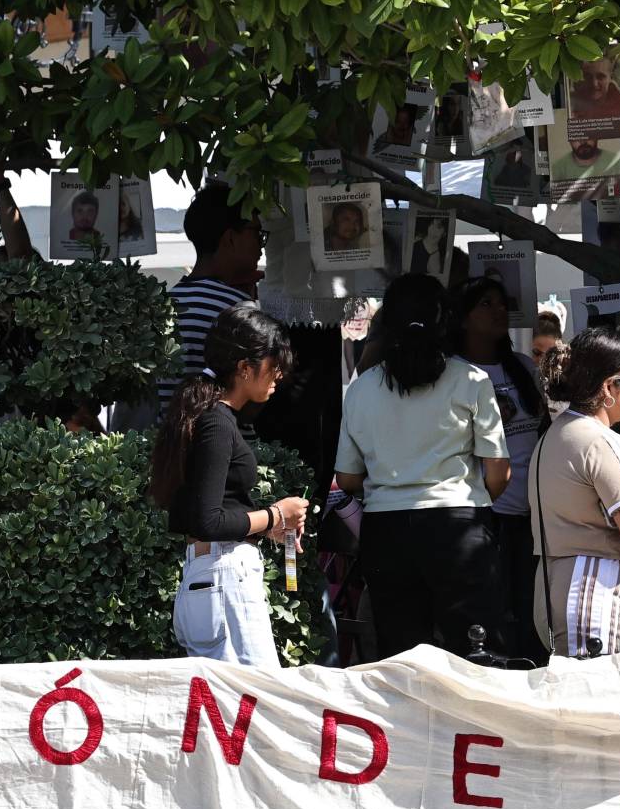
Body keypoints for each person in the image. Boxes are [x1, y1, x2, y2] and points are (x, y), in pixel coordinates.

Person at [335, 274, 512, 660]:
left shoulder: (362, 388)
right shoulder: (472, 380)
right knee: (476, 654)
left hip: (387, 532)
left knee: (402, 658)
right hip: (459, 526)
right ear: (446, 321)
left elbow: (347, 478)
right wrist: (472, 494)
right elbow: (498, 473)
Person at [149, 304, 309, 667]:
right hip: (223, 579)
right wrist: (275, 514)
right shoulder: (216, 421)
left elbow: (200, 514)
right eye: (274, 364)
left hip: (207, 578)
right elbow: (207, 520)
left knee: (228, 713)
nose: (279, 375)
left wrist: (268, 525)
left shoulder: (199, 411)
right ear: (244, 367)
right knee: (257, 705)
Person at [529, 328, 620, 656]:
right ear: (610, 387)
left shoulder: (556, 434)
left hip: (566, 593)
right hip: (596, 602)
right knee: (603, 704)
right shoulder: (602, 441)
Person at [456, 276, 550, 662]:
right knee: (498, 611)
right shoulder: (455, 372)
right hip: (488, 511)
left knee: (533, 610)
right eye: (485, 304)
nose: (498, 311)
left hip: (534, 511)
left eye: (501, 303)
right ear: (462, 318)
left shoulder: (524, 366)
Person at [157, 182, 266, 412]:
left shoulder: (165, 304)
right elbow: (252, 406)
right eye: (257, 234)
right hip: (226, 444)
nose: (261, 246)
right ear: (230, 238)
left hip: (170, 442)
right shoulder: (238, 308)